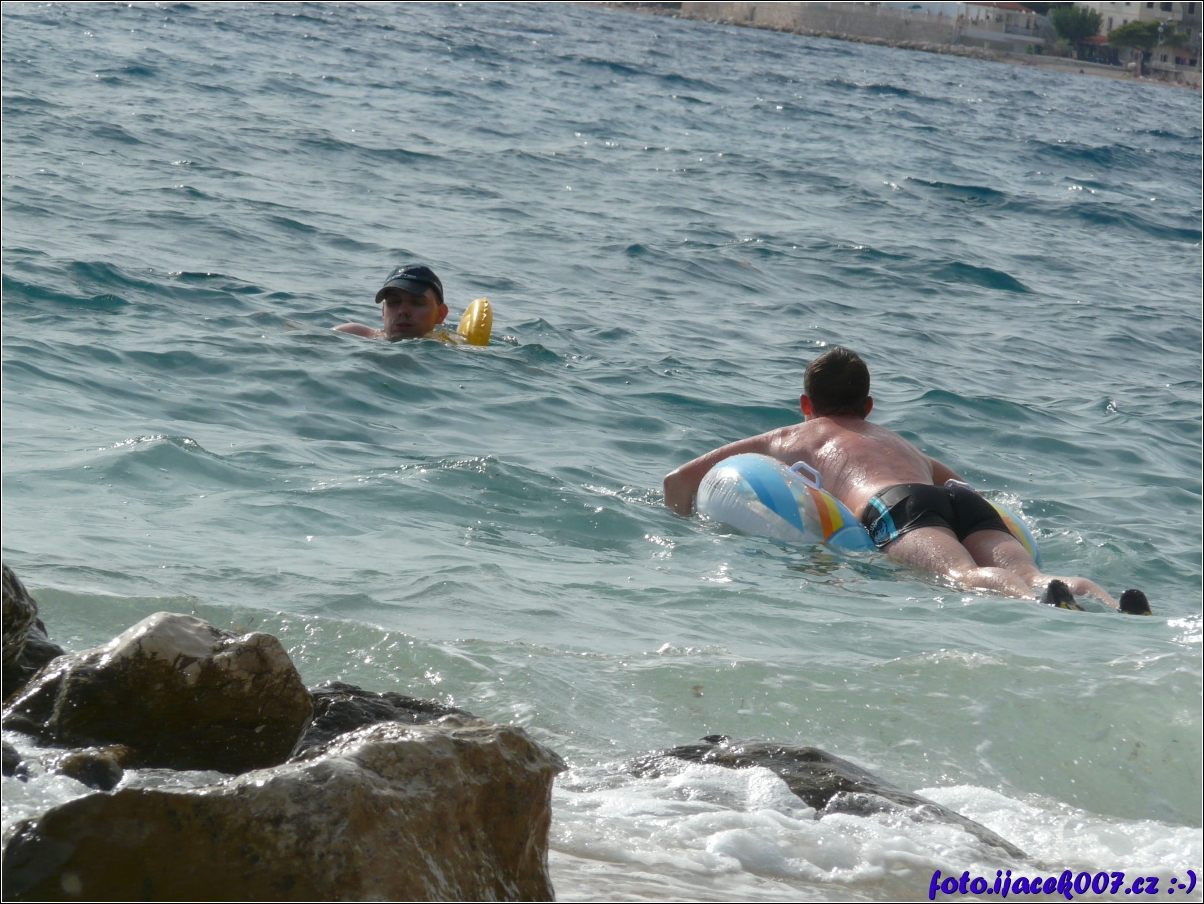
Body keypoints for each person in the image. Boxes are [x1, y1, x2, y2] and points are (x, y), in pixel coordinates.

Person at [663, 347, 1150, 613]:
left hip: (897, 505)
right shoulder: (901, 441)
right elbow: (964, 489)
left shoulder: (796, 435)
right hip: (957, 502)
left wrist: (683, 530)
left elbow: (678, 481)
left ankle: (1039, 603)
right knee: (1036, 572)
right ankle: (1107, 602)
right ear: (868, 406)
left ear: (806, 404)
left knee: (960, 576)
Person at [334, 264, 449, 341]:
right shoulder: (352, 334)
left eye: (417, 302)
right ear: (383, 311)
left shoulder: (450, 346)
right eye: (394, 301)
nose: (403, 311)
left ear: (440, 314)